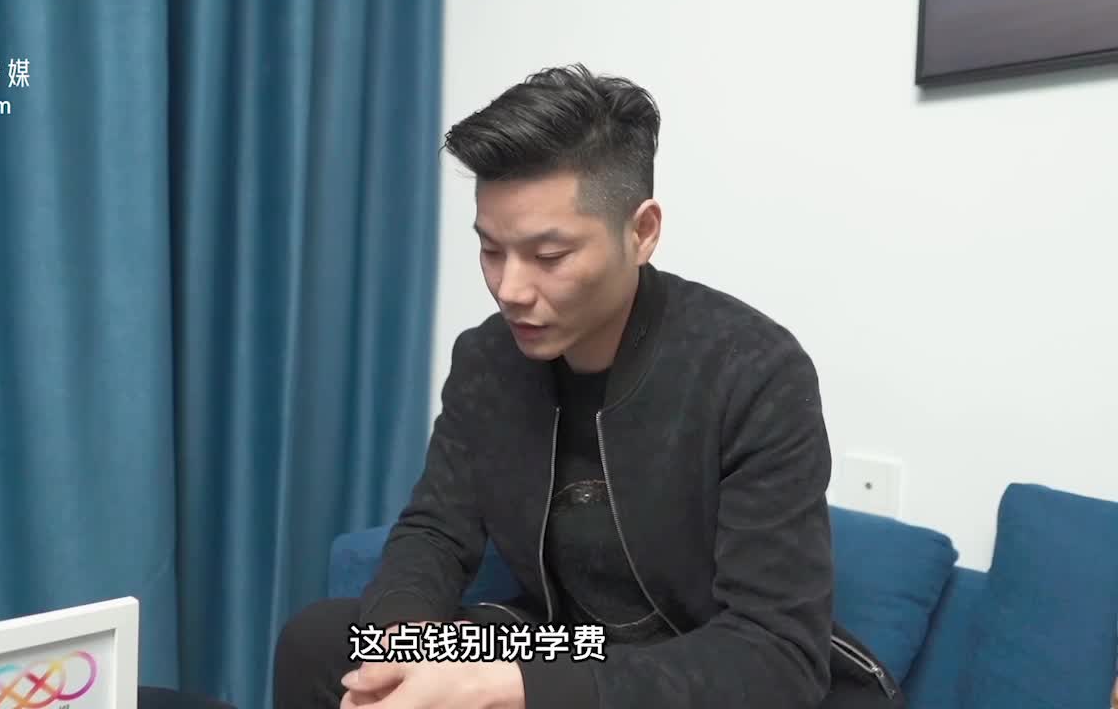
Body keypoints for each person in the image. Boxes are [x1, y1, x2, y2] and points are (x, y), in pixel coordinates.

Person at [273, 63, 906, 709]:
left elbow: (776, 655)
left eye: (549, 257)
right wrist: (401, 647)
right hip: (573, 646)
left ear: (642, 232)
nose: (510, 289)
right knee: (322, 643)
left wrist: (509, 688)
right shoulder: (488, 360)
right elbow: (436, 530)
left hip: (703, 664)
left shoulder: (753, 370)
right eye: (491, 250)